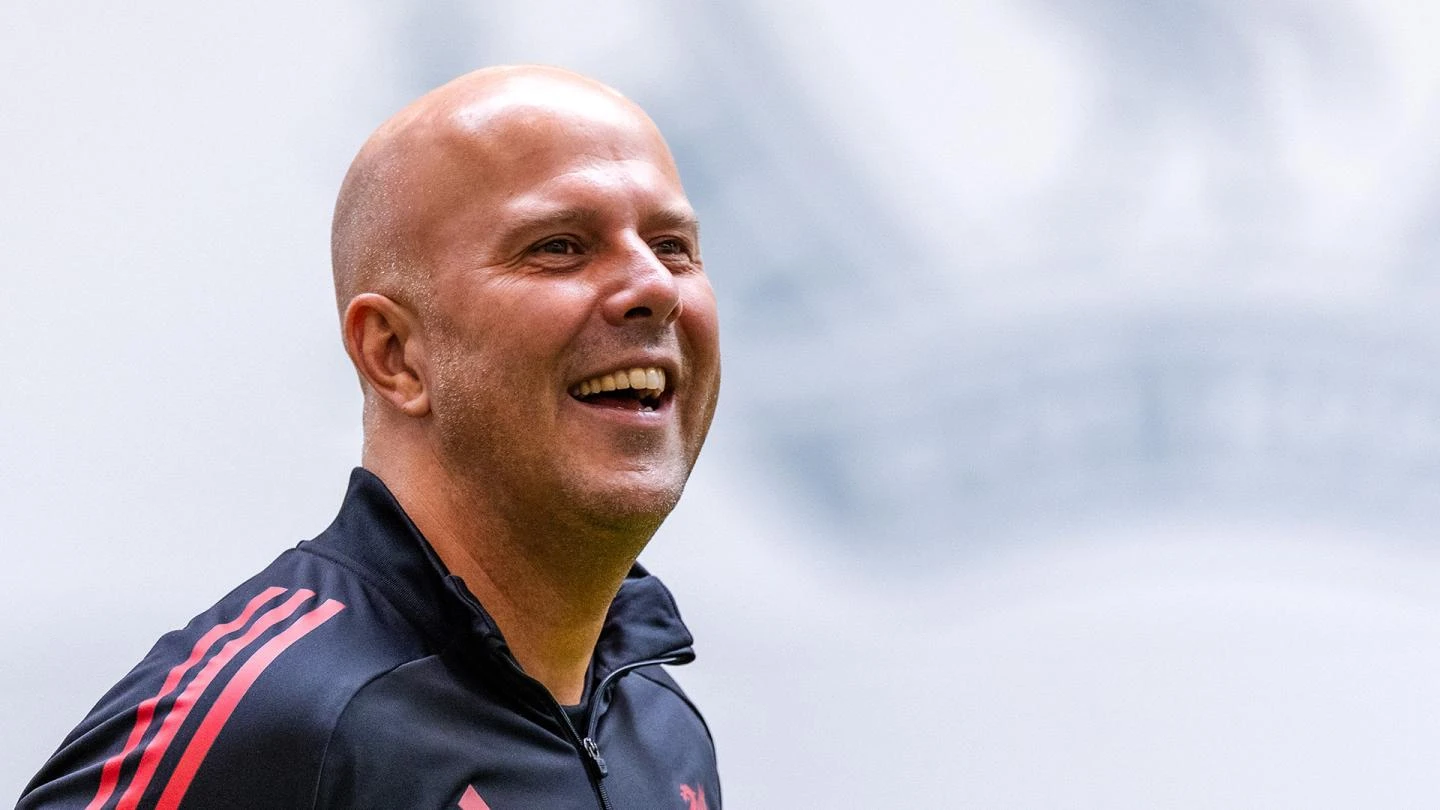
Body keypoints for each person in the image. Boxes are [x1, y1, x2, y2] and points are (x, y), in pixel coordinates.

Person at [19, 65, 723, 810]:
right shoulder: (275, 717)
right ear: (394, 354)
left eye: (672, 246)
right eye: (559, 246)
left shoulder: (660, 722)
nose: (655, 287)